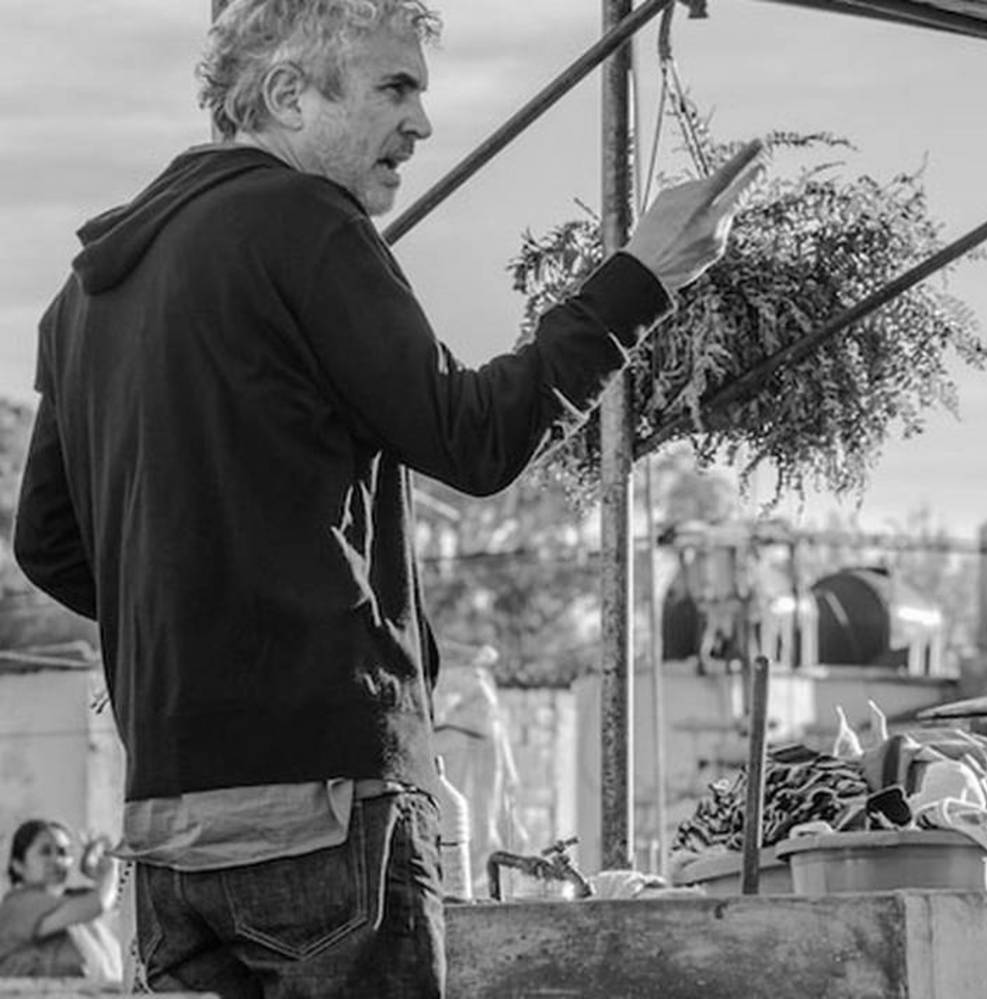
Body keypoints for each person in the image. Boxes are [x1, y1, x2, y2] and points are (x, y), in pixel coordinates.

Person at [11, 1, 761, 996]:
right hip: (326, 806)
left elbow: (48, 544)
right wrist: (641, 276)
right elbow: (473, 437)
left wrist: (197, 630)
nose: (422, 122)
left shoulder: (84, 296)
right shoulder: (302, 221)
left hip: (169, 824)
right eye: (395, 87)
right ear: (288, 93)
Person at [0, 820, 123, 982]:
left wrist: (98, 872)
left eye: (63, 852)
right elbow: (98, 905)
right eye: (45, 852)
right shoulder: (18, 905)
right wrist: (110, 868)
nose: (56, 860)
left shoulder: (72, 899)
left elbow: (117, 900)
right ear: (18, 865)